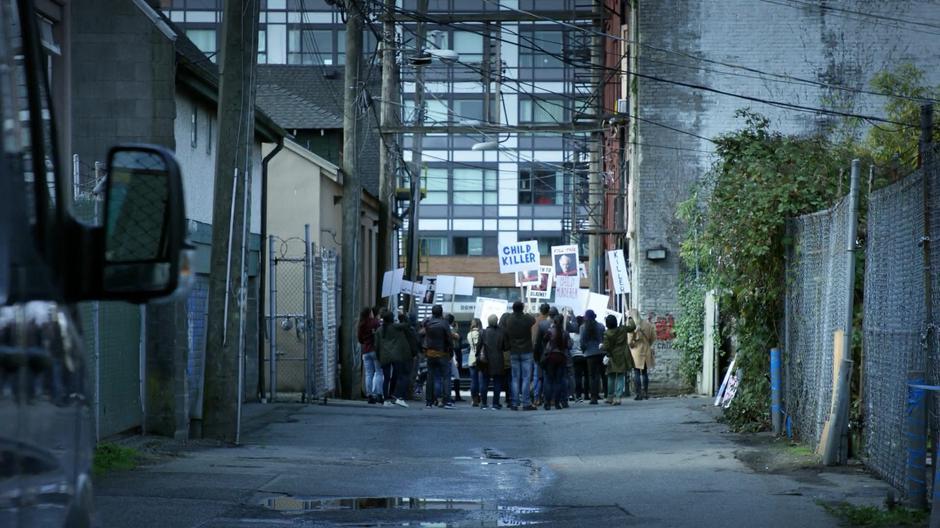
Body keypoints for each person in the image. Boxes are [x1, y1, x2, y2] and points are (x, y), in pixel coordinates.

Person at [501, 301, 538, 411]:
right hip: (526, 350)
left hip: (514, 351)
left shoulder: (509, 319)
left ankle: (514, 402)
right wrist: (526, 313)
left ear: (513, 308)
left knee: (515, 378)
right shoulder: (527, 318)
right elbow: (533, 320)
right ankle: (526, 403)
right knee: (526, 378)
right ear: (522, 308)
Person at [375, 310, 414, 408]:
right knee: (398, 377)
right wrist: (402, 315)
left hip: (384, 356)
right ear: (392, 318)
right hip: (397, 356)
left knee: (386, 378)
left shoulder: (379, 330)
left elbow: (376, 345)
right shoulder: (396, 327)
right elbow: (408, 324)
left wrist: (378, 356)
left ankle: (386, 400)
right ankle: (398, 397)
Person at [420, 305, 454, 408]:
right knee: (446, 377)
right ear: (441, 313)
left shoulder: (428, 324)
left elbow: (422, 335)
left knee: (430, 377)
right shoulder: (444, 323)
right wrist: (450, 352)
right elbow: (449, 339)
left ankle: (429, 401)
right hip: (442, 353)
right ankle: (447, 401)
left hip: (430, 353)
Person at [477, 314, 508, 409]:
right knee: (497, 383)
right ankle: (495, 403)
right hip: (498, 360)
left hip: (486, 360)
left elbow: (478, 347)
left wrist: (477, 356)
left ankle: (484, 403)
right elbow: (505, 347)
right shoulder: (501, 332)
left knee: (484, 382)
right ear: (497, 321)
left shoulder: (483, 332)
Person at [541, 314, 570, 410]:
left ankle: (547, 403)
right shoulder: (565, 333)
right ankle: (557, 403)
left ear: (553, 322)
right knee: (558, 381)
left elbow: (544, 340)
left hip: (551, 357)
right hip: (561, 357)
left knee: (549, 381)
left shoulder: (550, 331)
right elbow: (568, 346)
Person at [602, 315, 633, 405]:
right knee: (620, 376)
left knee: (611, 376)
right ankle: (618, 397)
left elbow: (606, 347)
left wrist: (601, 346)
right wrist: (630, 318)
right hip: (622, 355)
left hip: (612, 356)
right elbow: (632, 327)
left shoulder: (607, 333)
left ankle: (610, 397)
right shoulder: (622, 329)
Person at [628, 309, 657, 400]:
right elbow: (653, 337)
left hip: (636, 351)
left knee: (636, 372)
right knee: (644, 372)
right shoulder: (647, 324)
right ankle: (646, 393)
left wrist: (632, 345)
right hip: (646, 349)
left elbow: (629, 341)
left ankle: (638, 394)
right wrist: (648, 344)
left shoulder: (632, 325)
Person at [580, 309, 606, 405]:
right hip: (600, 352)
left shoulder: (583, 327)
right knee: (599, 375)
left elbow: (582, 342)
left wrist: (584, 350)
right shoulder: (601, 326)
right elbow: (604, 339)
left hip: (589, 354)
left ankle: (593, 397)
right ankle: (599, 393)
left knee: (592, 376)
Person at [357, 307, 382, 404]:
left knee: (369, 373)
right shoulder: (375, 322)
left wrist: (365, 341)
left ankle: (370, 395)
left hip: (366, 350)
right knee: (379, 372)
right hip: (375, 350)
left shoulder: (361, 324)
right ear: (369, 313)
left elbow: (359, 339)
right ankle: (379, 394)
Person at [531, 303, 552, 407]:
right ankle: (546, 397)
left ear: (540, 310)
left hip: (536, 352)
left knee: (537, 376)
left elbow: (533, 338)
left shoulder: (534, 321)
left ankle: (536, 398)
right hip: (548, 353)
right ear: (548, 311)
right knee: (547, 376)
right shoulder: (550, 322)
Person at [568, 315, 586, 402]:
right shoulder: (584, 334)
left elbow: (570, 346)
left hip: (575, 357)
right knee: (587, 376)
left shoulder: (572, 335)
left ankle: (576, 394)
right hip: (584, 356)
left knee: (576, 376)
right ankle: (585, 394)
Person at [446, 314, 463, 402]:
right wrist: (456, 330)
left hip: (446, 353)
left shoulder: (443, 328)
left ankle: (450, 395)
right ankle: (455, 395)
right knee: (456, 375)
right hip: (452, 353)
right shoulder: (450, 329)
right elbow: (458, 337)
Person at [467, 318, 483, 407]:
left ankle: (474, 400)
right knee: (481, 380)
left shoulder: (469, 334)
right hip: (480, 359)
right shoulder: (482, 333)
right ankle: (482, 399)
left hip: (471, 358)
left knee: (473, 381)